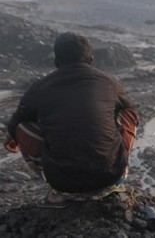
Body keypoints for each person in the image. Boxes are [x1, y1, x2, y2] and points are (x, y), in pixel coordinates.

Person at [3, 32, 139, 208]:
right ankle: (118, 175)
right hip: (110, 177)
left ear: (56, 61)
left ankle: (58, 194)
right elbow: (130, 110)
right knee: (127, 113)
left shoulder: (40, 87)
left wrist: (12, 138)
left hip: (63, 184)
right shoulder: (109, 81)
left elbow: (16, 122)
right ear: (90, 58)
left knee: (23, 126)